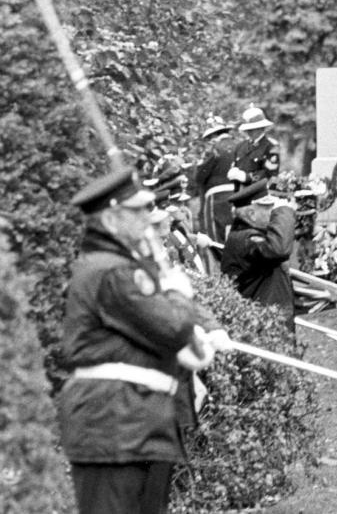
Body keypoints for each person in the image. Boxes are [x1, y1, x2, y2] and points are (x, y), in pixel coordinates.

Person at [58, 165, 230, 514]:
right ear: (111, 220)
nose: (146, 217)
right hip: (115, 424)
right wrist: (178, 292)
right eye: (136, 210)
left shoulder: (120, 266)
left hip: (136, 422)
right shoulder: (112, 272)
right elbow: (173, 328)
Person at [221, 179, 296, 330]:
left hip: (269, 321)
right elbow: (278, 248)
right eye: (269, 208)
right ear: (251, 214)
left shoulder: (247, 234)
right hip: (262, 325)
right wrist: (283, 211)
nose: (273, 212)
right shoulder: (244, 239)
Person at [195, 115, 237, 243]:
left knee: (214, 240)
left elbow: (199, 177)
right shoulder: (241, 146)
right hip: (239, 197)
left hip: (217, 200)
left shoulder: (213, 149)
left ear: (213, 135)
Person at [228, 105, 280, 190]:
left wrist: (248, 177)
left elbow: (270, 173)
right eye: (247, 129)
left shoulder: (271, 147)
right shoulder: (240, 146)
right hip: (239, 194)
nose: (248, 132)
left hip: (259, 194)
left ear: (261, 128)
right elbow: (235, 166)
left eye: (252, 129)